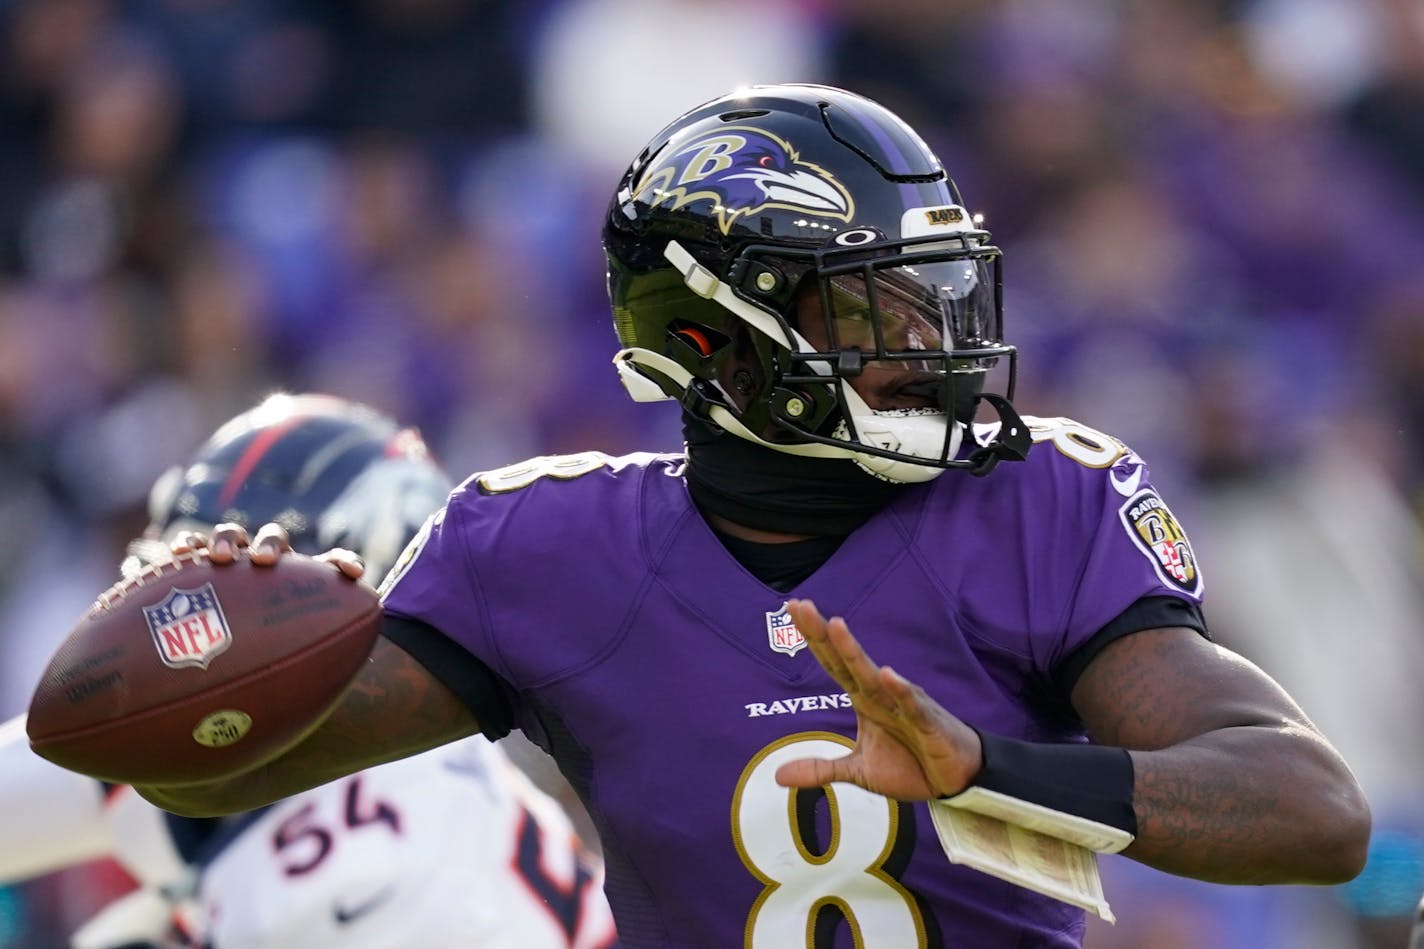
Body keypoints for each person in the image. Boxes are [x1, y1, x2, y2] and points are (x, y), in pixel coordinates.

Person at [75, 84, 1366, 947]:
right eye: (873, 310)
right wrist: (204, 640)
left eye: (939, 298)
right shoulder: (544, 550)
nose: (935, 348)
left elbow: (1312, 811)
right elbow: (216, 756)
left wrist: (992, 773)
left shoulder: (1037, 502)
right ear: (718, 337)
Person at [4, 392, 616, 948]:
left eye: (231, 591)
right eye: (176, 569)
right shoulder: (222, 750)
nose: (184, 625)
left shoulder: (377, 840)